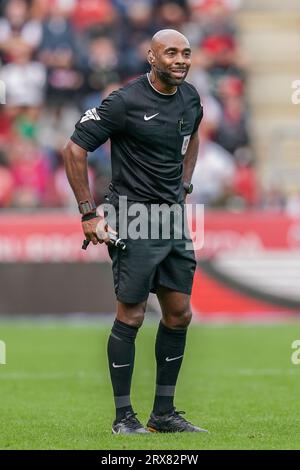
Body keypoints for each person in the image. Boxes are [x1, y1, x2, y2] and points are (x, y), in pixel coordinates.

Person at [63, 29, 207, 434]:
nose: (181, 59)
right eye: (172, 52)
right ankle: (123, 418)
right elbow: (74, 149)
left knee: (179, 314)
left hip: (172, 218)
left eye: (186, 53)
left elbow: (191, 135)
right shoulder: (124, 102)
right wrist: (89, 215)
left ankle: (163, 414)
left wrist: (185, 183)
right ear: (151, 57)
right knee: (133, 313)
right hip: (133, 217)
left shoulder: (191, 98)